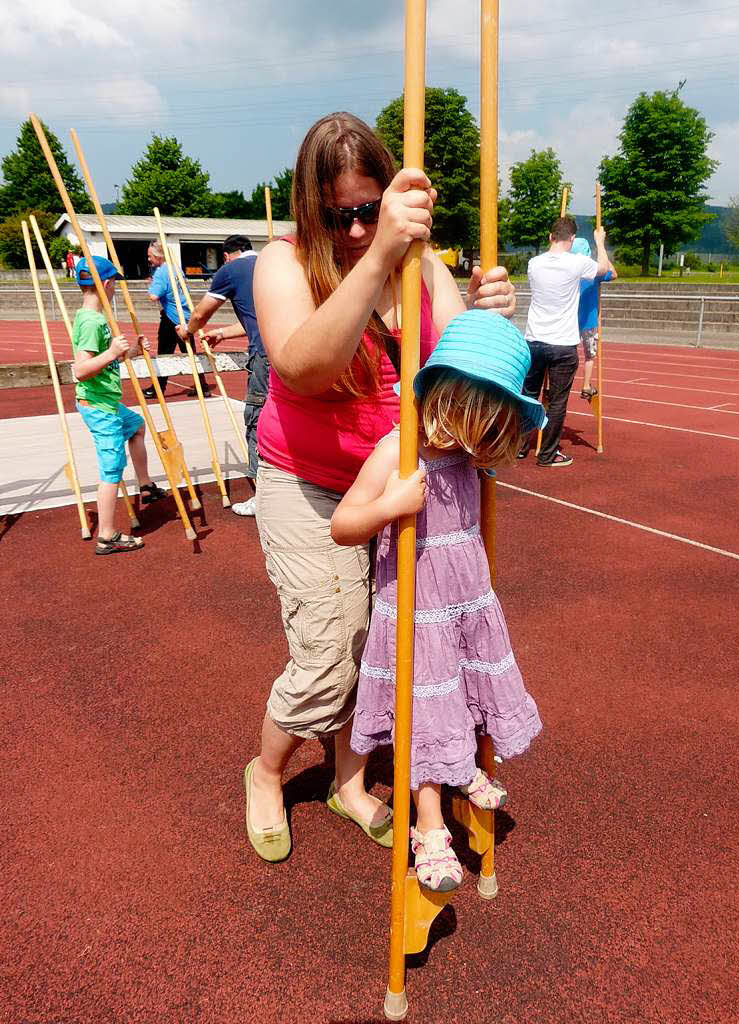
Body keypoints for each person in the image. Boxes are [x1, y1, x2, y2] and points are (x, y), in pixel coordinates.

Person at [244, 111, 517, 864]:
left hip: (403, 486)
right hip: (310, 484)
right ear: (313, 209)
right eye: (343, 215)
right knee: (330, 655)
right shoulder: (285, 263)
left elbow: (465, 377)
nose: (361, 229)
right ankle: (267, 772)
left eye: (373, 209)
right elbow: (302, 366)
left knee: (384, 646)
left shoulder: (425, 267)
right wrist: (379, 258)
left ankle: (347, 779)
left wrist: (493, 319)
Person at [330, 309, 544, 891]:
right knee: (425, 708)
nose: (492, 435)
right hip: (418, 610)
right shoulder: (399, 451)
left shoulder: (467, 454)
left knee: (466, 691)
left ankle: (464, 766)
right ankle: (429, 825)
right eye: (488, 417)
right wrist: (388, 508)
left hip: (466, 599)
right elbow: (344, 523)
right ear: (453, 400)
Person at [72, 256, 166, 553]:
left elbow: (109, 359)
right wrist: (113, 352)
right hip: (99, 408)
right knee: (111, 472)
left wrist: (133, 350)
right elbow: (81, 369)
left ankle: (146, 484)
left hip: (109, 404)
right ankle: (107, 535)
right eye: (115, 285)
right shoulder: (91, 321)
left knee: (136, 427)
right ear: (108, 284)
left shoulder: (95, 318)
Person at [181, 233, 267, 516]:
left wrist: (188, 331)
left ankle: (262, 496)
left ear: (229, 254)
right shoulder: (272, 262)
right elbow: (259, 317)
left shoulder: (230, 270)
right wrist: (224, 332)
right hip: (292, 351)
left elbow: (201, 313)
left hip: (265, 357)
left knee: (257, 421)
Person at [517, 216, 609, 467]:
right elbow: (604, 269)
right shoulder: (577, 263)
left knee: (528, 396)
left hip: (534, 341)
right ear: (571, 239)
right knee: (557, 401)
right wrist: (600, 242)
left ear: (550, 237)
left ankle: (519, 447)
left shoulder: (533, 263)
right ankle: (547, 454)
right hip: (562, 345)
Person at [142, 240, 213, 399]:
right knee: (190, 353)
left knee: (164, 354)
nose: (149, 259)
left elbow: (154, 296)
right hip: (185, 317)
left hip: (171, 318)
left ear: (157, 255)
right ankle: (202, 386)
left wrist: (151, 285)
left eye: (150, 256)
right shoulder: (176, 269)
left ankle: (158, 388)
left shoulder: (161, 272)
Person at [570, 237, 617, 400]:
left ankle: (555, 385)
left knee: (566, 353)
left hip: (569, 321)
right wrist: (602, 248)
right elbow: (613, 273)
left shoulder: (570, 271)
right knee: (590, 355)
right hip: (588, 321)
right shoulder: (594, 271)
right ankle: (585, 385)